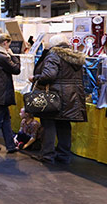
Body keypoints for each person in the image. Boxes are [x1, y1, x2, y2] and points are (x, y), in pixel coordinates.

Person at [32, 34, 86, 164]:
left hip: (56, 95)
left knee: (49, 123)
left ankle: (47, 154)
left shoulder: (54, 55)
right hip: (72, 95)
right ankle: (63, 154)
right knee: (64, 124)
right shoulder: (76, 56)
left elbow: (49, 75)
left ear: (53, 45)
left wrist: (35, 78)